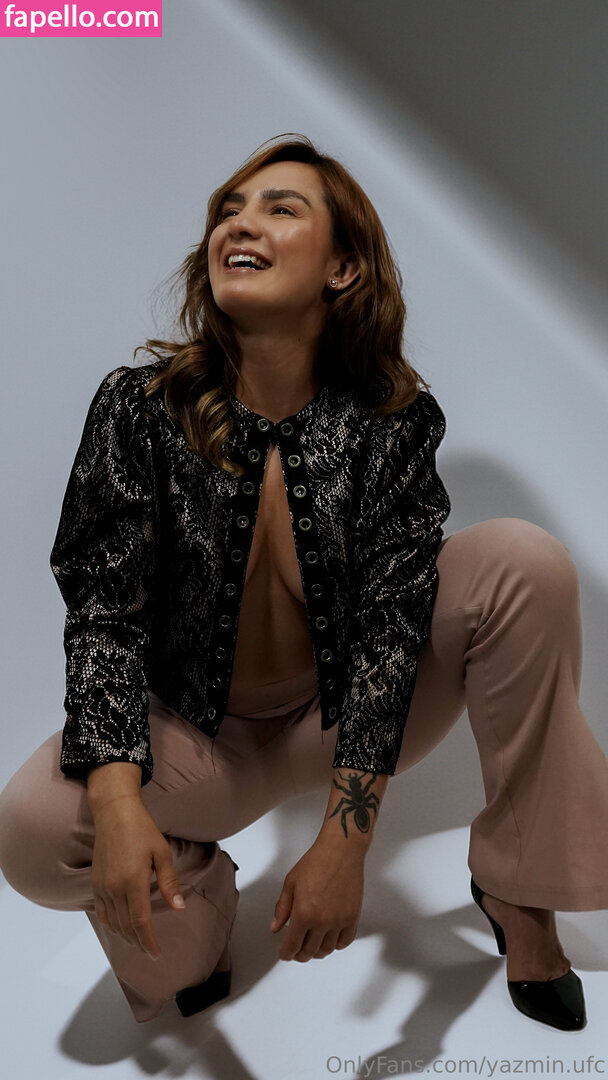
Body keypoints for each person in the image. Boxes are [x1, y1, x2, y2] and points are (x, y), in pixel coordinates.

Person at [1, 133, 607, 1032]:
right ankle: (198, 896)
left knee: (524, 562)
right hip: (198, 745)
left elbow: (396, 628)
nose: (239, 224)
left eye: (280, 208)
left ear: (343, 268)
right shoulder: (140, 408)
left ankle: (521, 890)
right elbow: (102, 613)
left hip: (345, 717)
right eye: (228, 210)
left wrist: (345, 843)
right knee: (31, 829)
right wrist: (120, 805)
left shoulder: (394, 421)